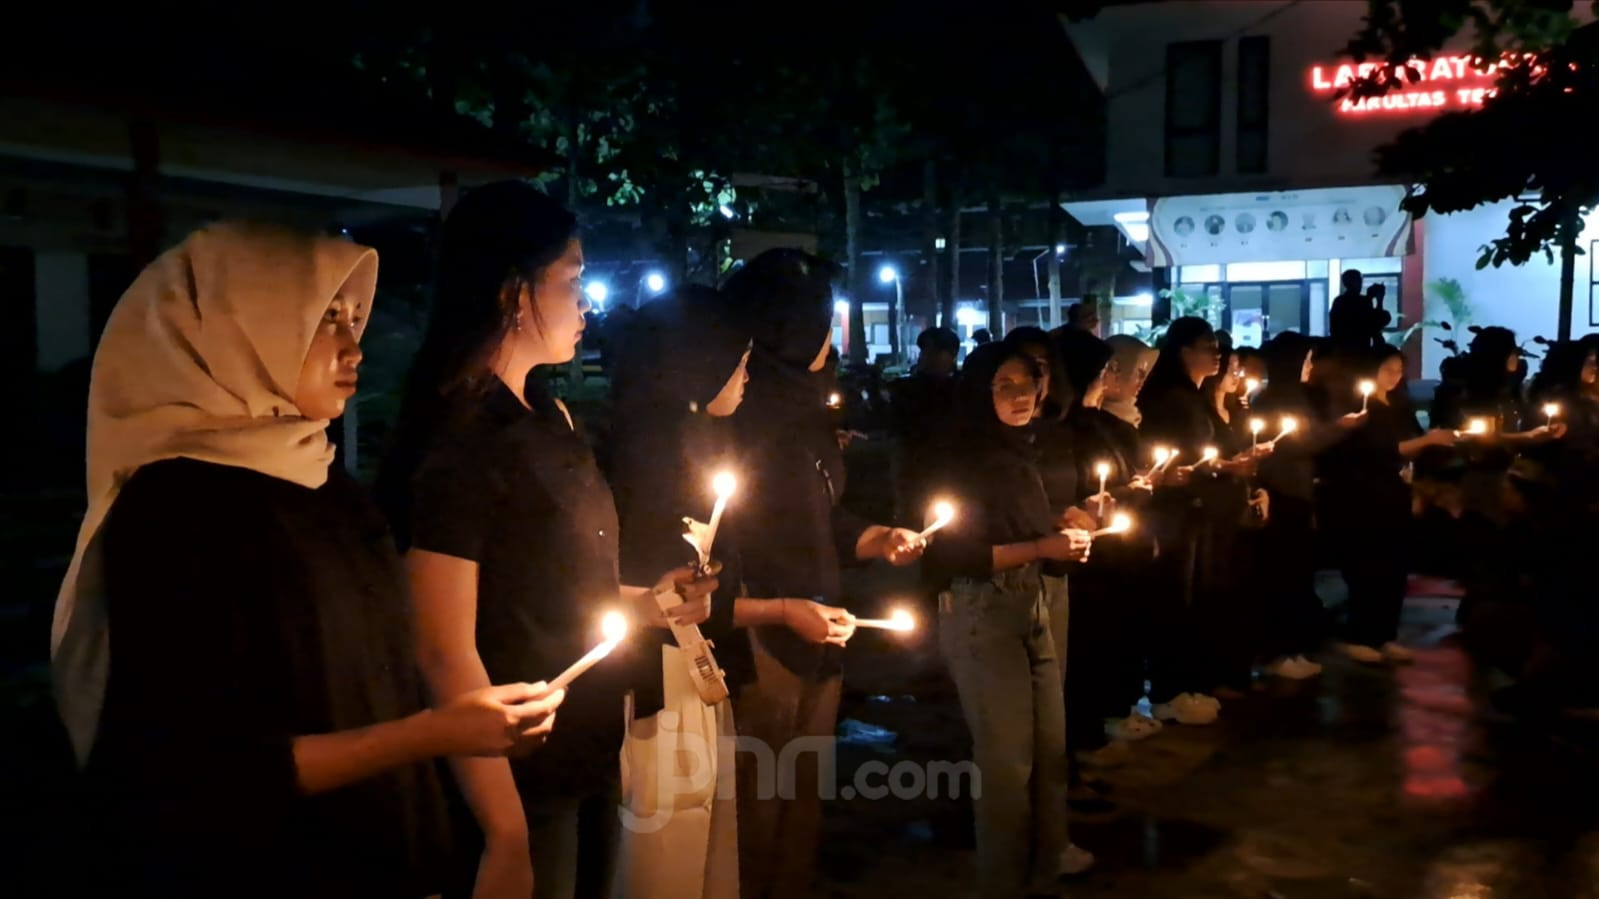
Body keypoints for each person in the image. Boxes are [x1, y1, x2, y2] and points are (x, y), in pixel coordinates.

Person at [54, 222, 563, 898]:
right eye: (325, 320)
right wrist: (434, 731)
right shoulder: (178, 511)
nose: (354, 344)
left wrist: (447, 737)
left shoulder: (325, 481)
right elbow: (200, 766)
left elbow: (370, 672)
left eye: (354, 317)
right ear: (240, 328)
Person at [378, 182, 716, 899]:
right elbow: (442, 644)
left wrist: (651, 603)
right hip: (516, 778)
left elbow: (551, 585)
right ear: (512, 292)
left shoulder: (550, 416)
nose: (588, 301)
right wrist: (502, 828)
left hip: (590, 749)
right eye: (573, 279)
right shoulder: (463, 441)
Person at [607, 286, 856, 898]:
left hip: (699, 670)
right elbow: (658, 589)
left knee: (710, 844)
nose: (746, 374)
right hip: (661, 686)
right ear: (699, 360)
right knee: (675, 849)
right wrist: (769, 607)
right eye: (737, 360)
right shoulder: (652, 453)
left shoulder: (693, 439)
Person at [721, 248, 925, 899]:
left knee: (800, 794)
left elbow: (819, 514)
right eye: (825, 318)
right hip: (763, 636)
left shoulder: (805, 413)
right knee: (757, 800)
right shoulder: (740, 415)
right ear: (790, 322)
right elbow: (734, 531)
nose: (833, 334)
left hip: (821, 625)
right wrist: (773, 611)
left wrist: (874, 537)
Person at [924, 340, 1094, 895]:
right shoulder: (956, 455)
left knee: (1048, 754)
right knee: (1006, 767)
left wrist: (1061, 521)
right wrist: (1044, 547)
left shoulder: (1020, 448)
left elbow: (1015, 521)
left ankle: (1043, 871)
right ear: (978, 390)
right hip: (980, 610)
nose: (1020, 396)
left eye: (1026, 384)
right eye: (1003, 385)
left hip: (1031, 603)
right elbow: (956, 554)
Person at [1320, 346, 1457, 663]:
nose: (1394, 375)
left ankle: (1384, 634)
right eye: (1387, 369)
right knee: (1368, 566)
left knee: (1393, 568)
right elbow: (1381, 449)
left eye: (1399, 369)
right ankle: (1360, 634)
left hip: (1395, 493)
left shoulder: (1398, 405)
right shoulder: (1360, 409)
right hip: (1364, 496)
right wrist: (1426, 442)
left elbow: (1410, 443)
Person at [1100, 334, 1157, 427]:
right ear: (1116, 368)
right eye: (1139, 374)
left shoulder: (1132, 416)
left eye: (1144, 375)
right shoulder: (1099, 423)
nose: (1142, 382)